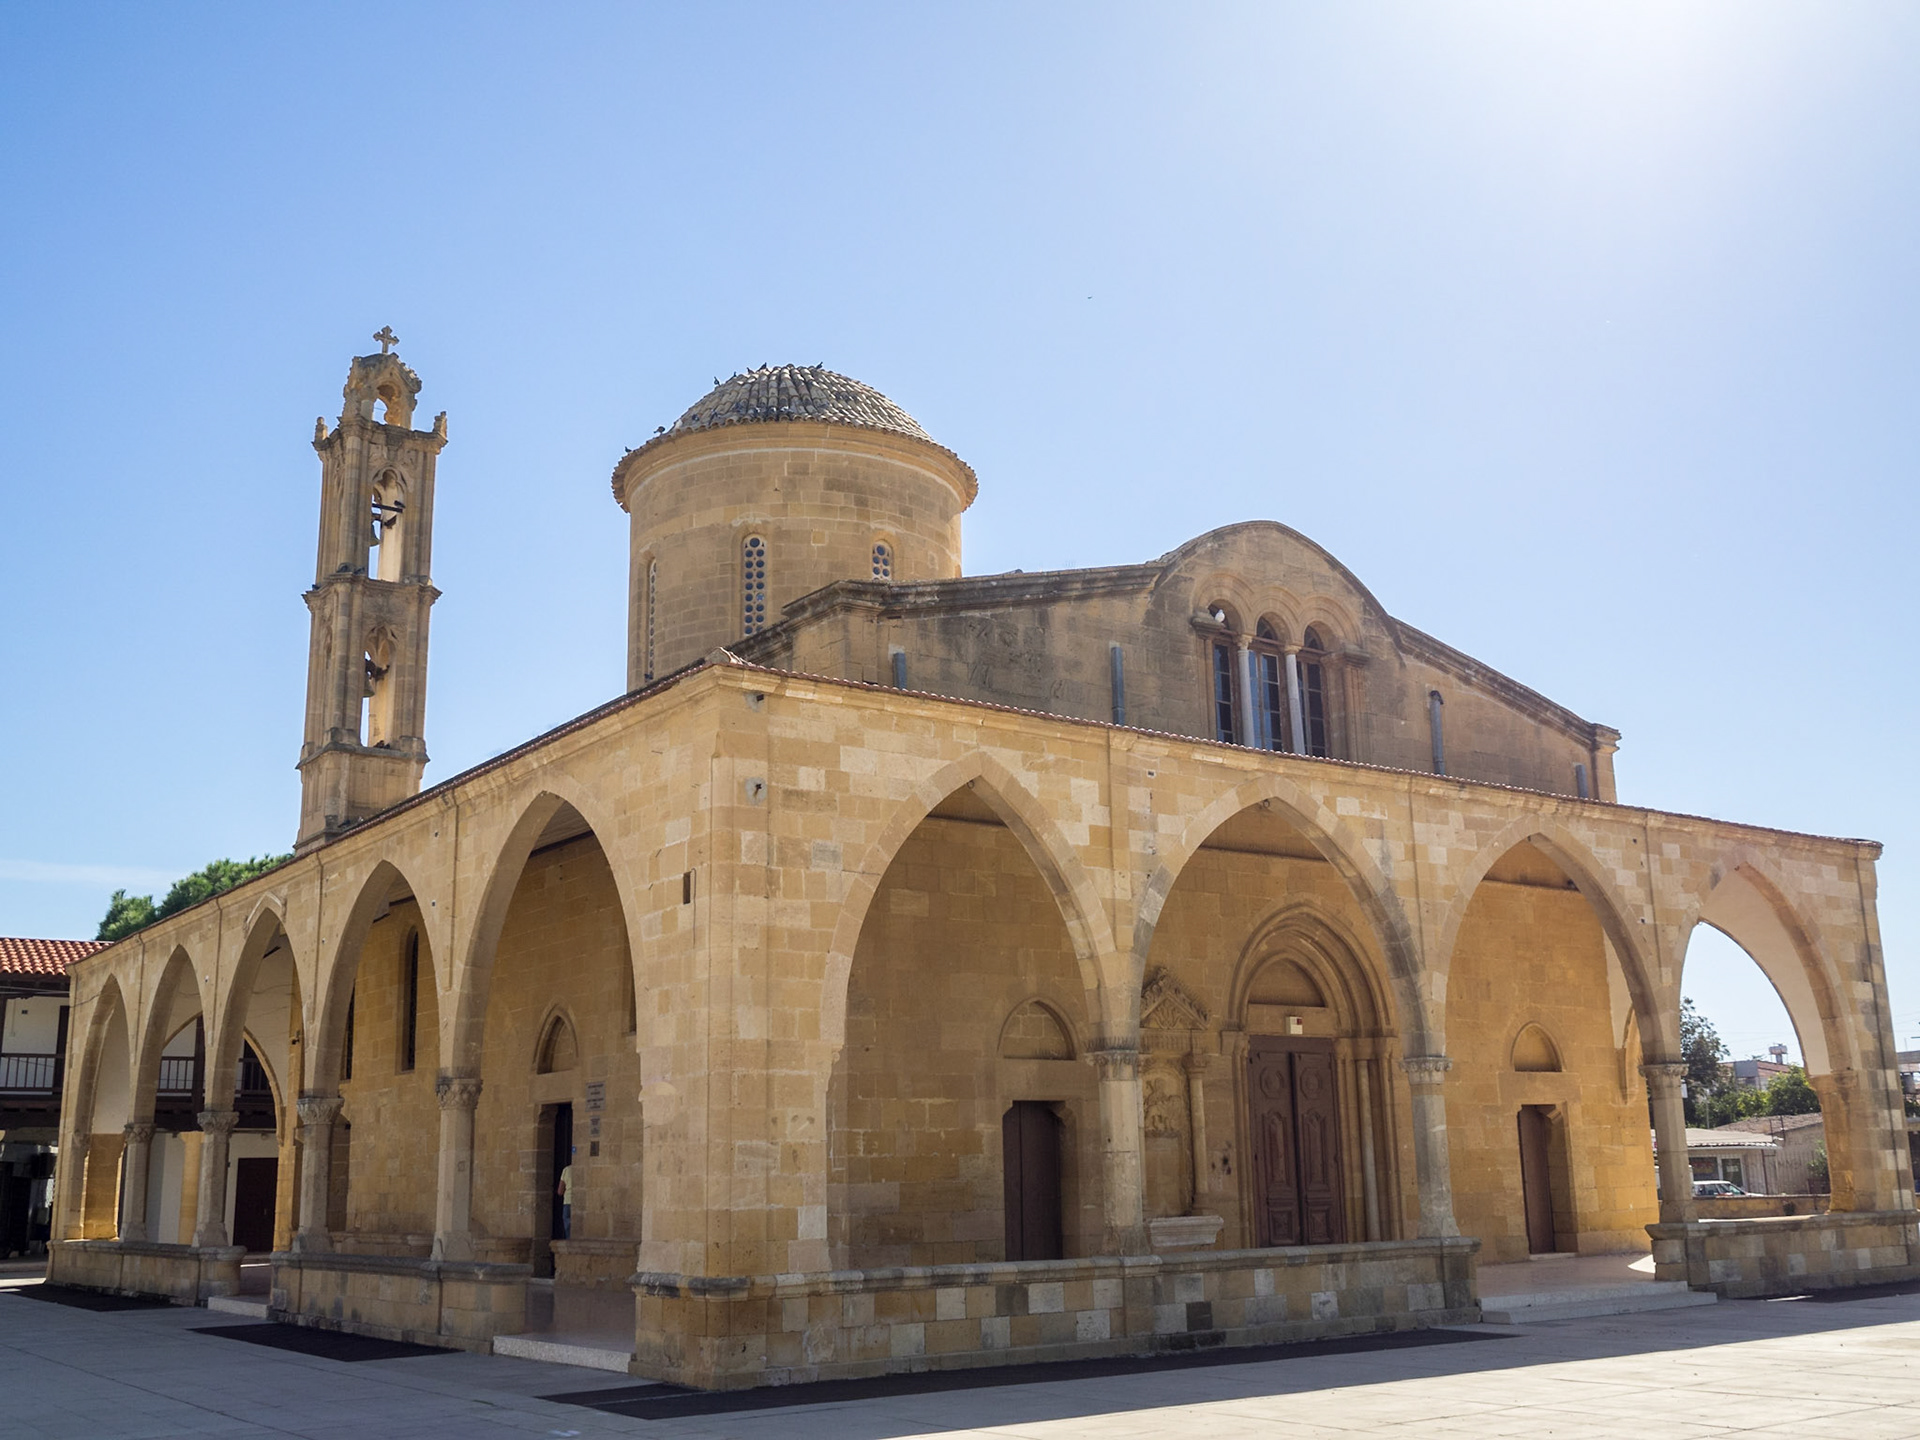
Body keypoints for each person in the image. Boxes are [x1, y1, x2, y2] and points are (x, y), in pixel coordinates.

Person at [556, 1148, 575, 1239]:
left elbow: (560, 1191)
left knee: (568, 1227)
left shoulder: (567, 1170)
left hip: (568, 1201)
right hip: (579, 1202)